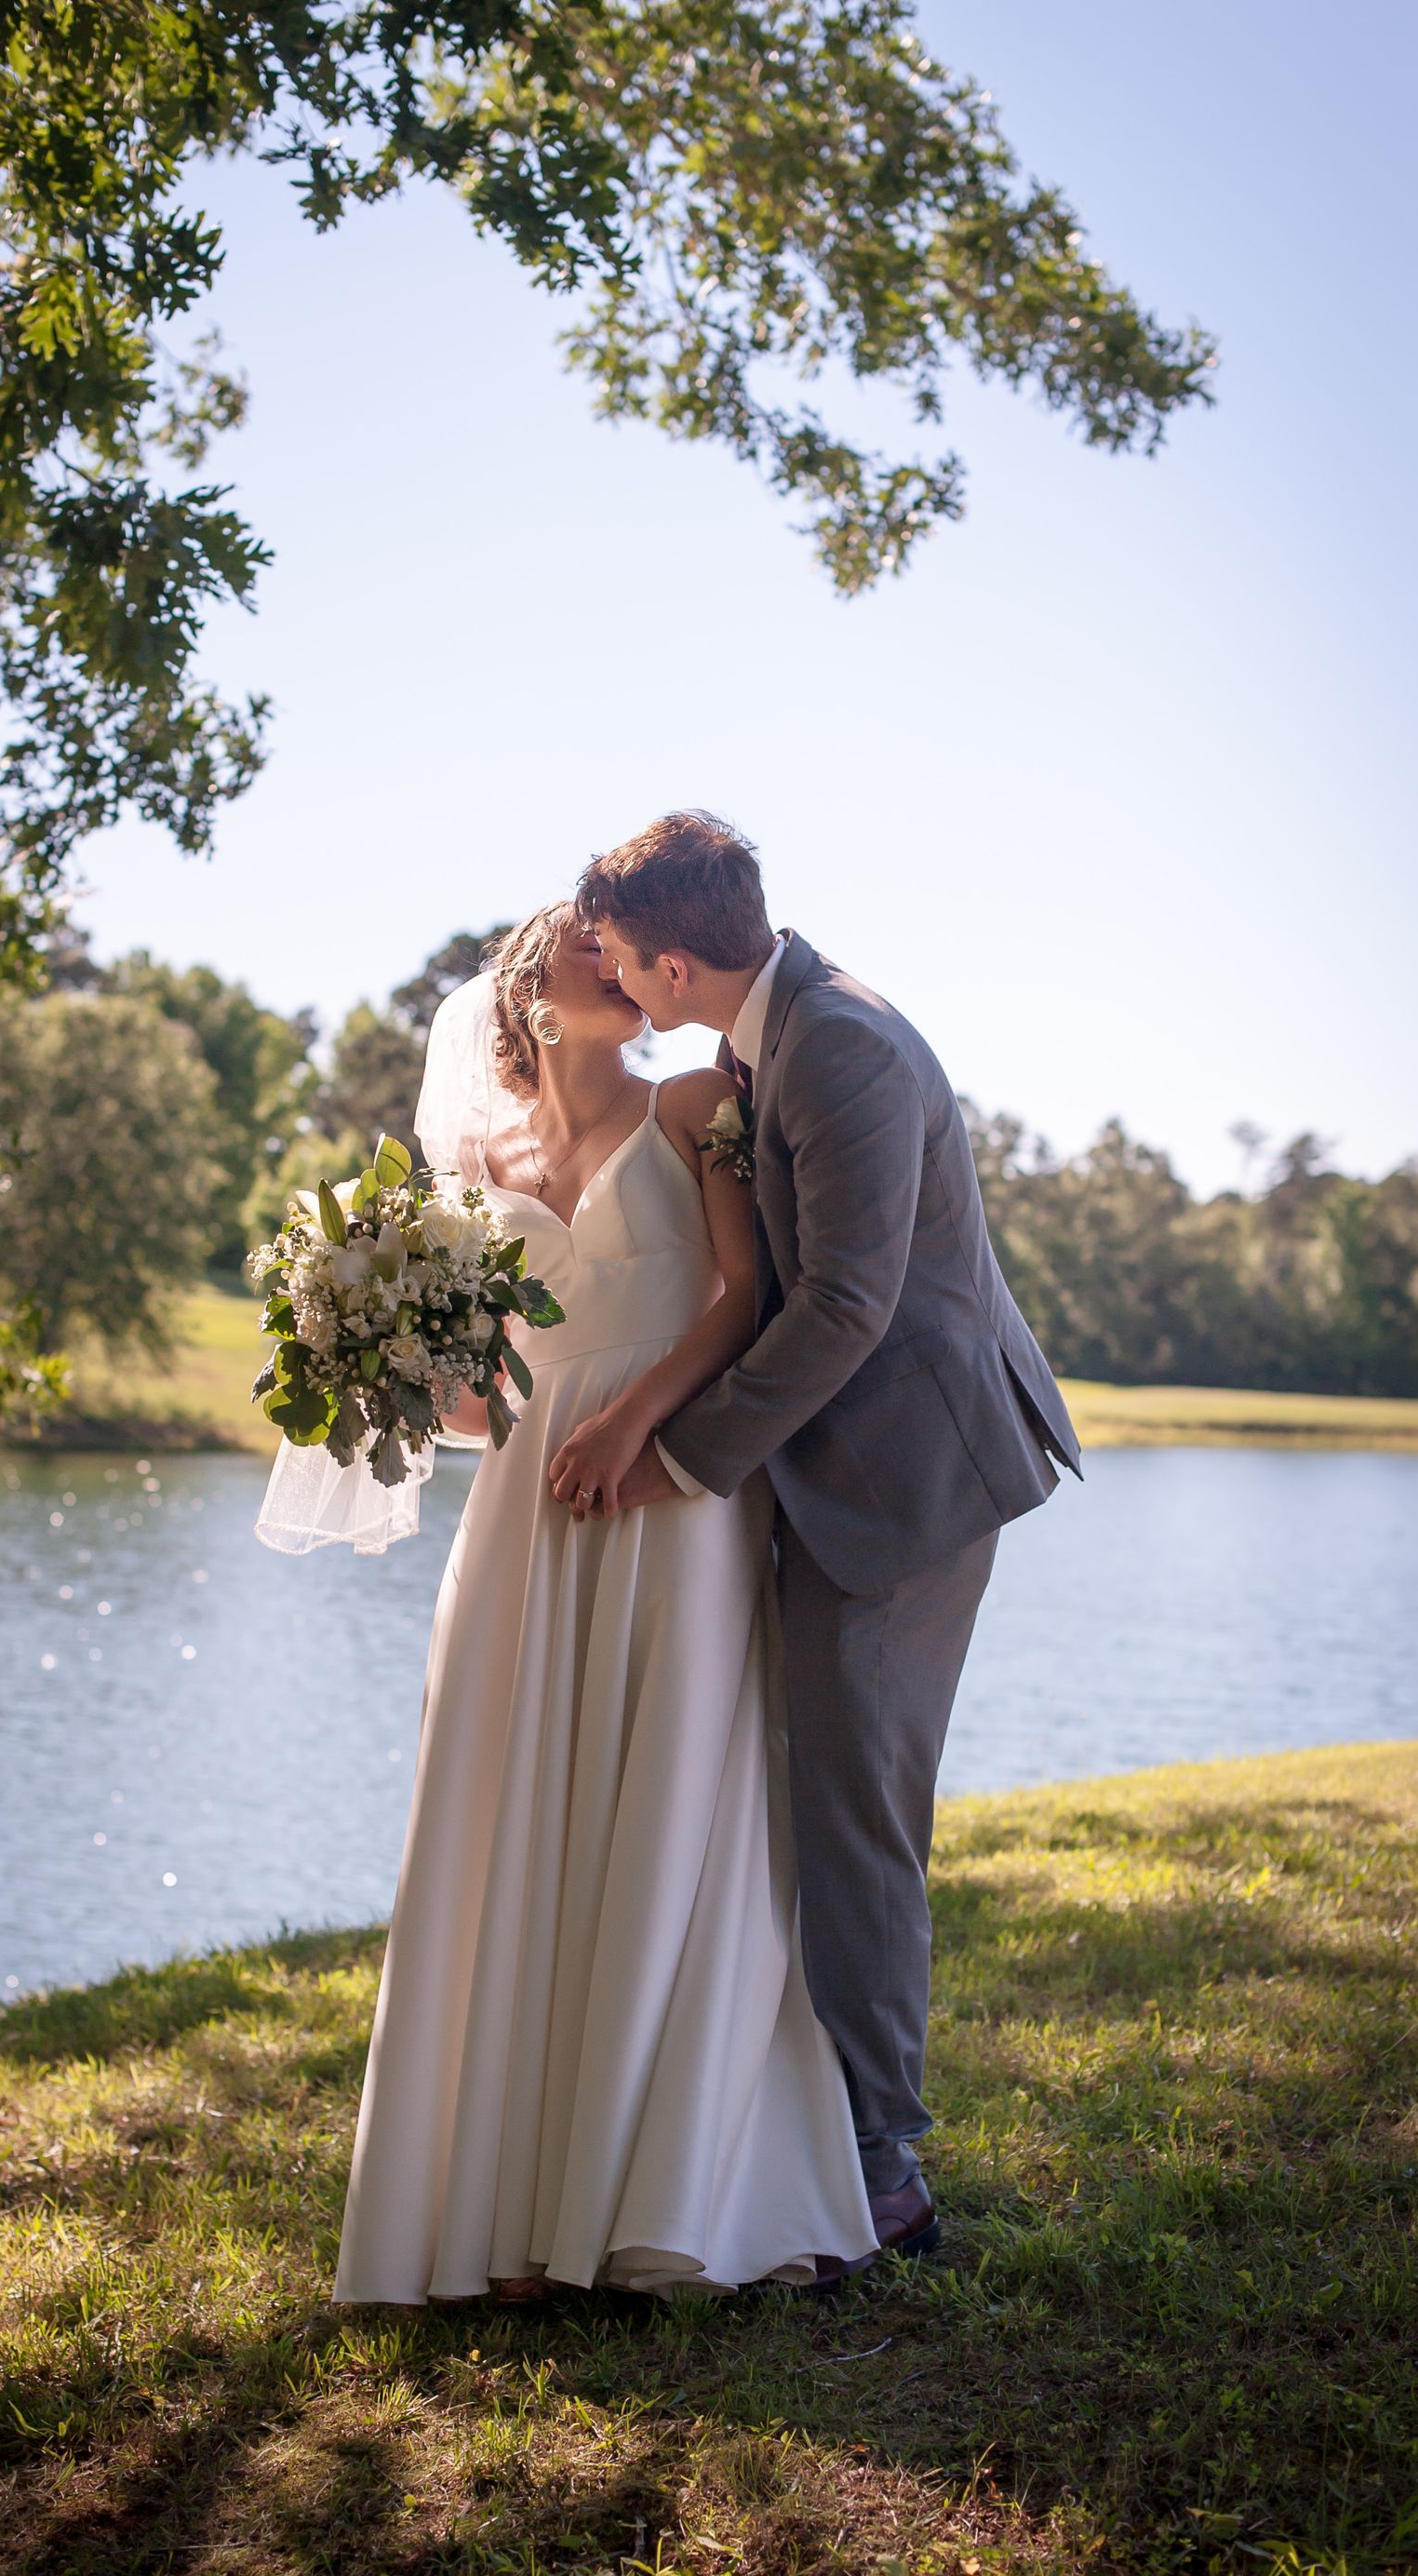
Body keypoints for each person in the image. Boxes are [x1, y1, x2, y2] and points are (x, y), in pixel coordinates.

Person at [552, 811, 1080, 2274]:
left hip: (907, 1478)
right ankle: (818, 2121)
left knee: (858, 1808)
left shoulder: (839, 1042)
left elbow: (844, 1305)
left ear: (669, 956)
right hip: (848, 1461)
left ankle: (884, 2168)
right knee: (826, 1794)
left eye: (616, 956)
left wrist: (677, 1455)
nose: (611, 979)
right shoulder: (763, 1041)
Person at [330, 901, 878, 2302]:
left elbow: (745, 1296)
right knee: (516, 1805)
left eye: (631, 951)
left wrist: (636, 1424)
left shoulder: (697, 1099)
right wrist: (368, 1348)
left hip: (672, 1483)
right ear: (535, 982)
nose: (626, 966)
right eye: (596, 947)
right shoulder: (471, 1158)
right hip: (527, 1499)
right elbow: (475, 1388)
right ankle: (510, 2210)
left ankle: (655, 2202)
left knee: (674, 1787)